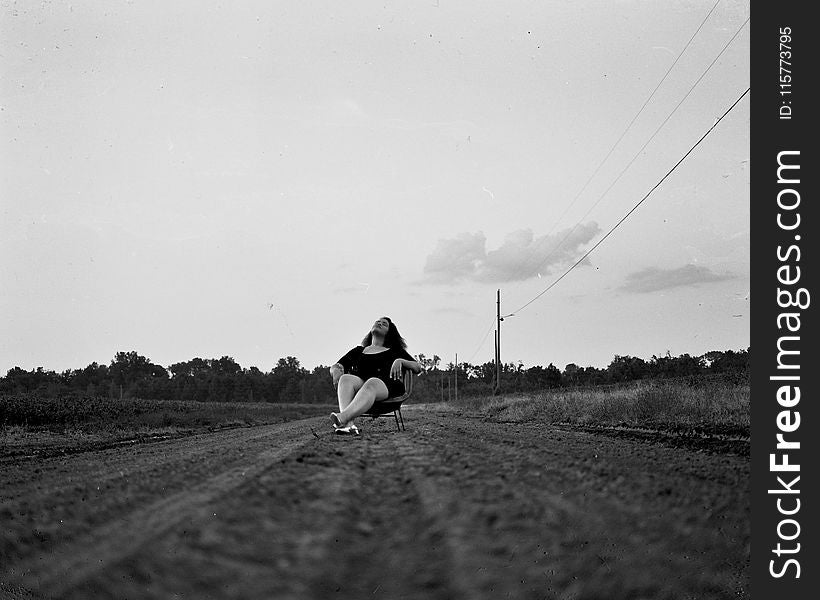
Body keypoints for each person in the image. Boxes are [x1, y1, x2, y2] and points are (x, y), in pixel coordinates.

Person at [329, 317, 422, 435]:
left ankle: (342, 418)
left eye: (384, 324)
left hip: (387, 387)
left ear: (389, 332)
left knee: (372, 382)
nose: (379, 323)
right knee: (345, 378)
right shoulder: (358, 351)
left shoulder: (394, 351)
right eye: (378, 322)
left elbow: (418, 368)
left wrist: (401, 361)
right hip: (362, 389)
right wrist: (336, 371)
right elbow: (336, 366)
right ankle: (348, 425)